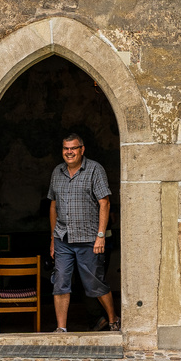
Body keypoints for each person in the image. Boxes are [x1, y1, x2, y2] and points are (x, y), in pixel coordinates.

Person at [47, 132, 118, 332]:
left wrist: (100, 236)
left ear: (82, 150)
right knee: (60, 282)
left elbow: (104, 203)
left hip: (89, 239)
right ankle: (61, 329)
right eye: (66, 148)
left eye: (73, 148)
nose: (69, 152)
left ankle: (113, 320)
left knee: (95, 284)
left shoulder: (95, 170)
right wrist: (53, 239)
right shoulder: (57, 172)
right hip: (63, 238)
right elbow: (53, 206)